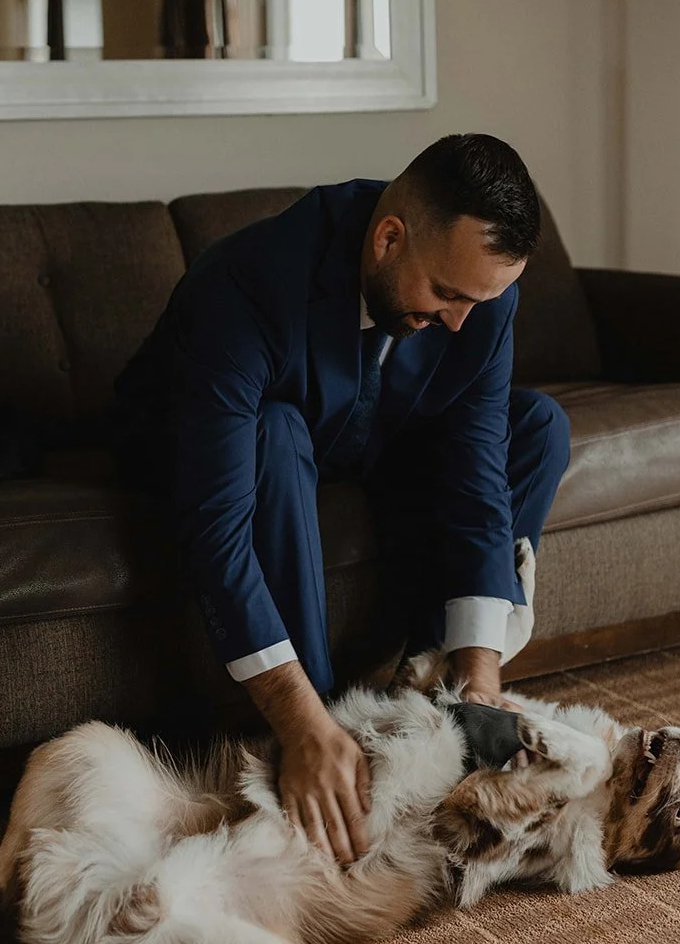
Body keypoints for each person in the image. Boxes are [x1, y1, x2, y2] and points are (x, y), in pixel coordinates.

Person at [113, 134, 570, 867]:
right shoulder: (245, 281)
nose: (461, 320)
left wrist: (480, 672)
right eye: (448, 294)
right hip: (212, 443)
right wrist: (299, 724)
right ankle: (330, 728)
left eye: (480, 300)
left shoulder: (478, 302)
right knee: (277, 427)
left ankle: (431, 693)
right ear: (388, 239)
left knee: (538, 426)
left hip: (361, 433)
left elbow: (478, 469)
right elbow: (216, 528)